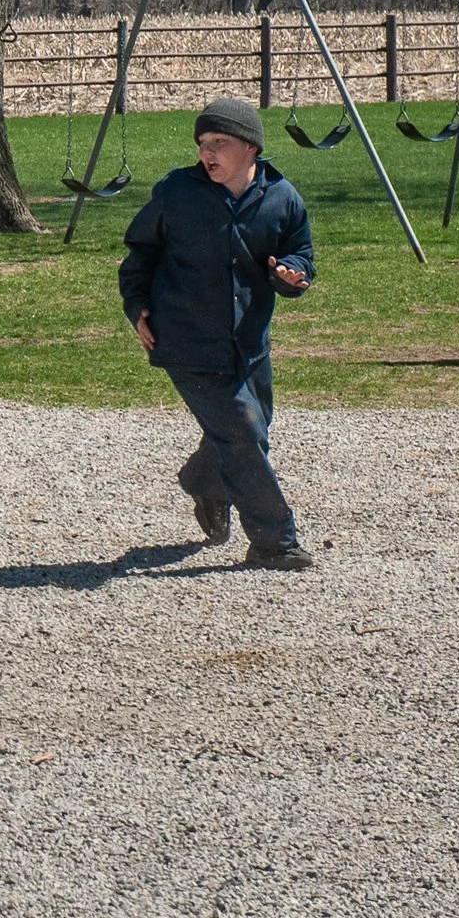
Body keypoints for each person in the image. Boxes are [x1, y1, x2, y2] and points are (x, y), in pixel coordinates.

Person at [119, 96, 317, 570]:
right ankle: (275, 541)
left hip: (249, 343)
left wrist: (291, 272)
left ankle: (205, 481)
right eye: (203, 143)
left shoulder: (282, 197)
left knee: (251, 432)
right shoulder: (176, 193)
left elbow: (301, 254)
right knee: (243, 434)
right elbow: (138, 256)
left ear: (250, 147)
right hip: (185, 340)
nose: (207, 152)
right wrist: (137, 307)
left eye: (219, 143)